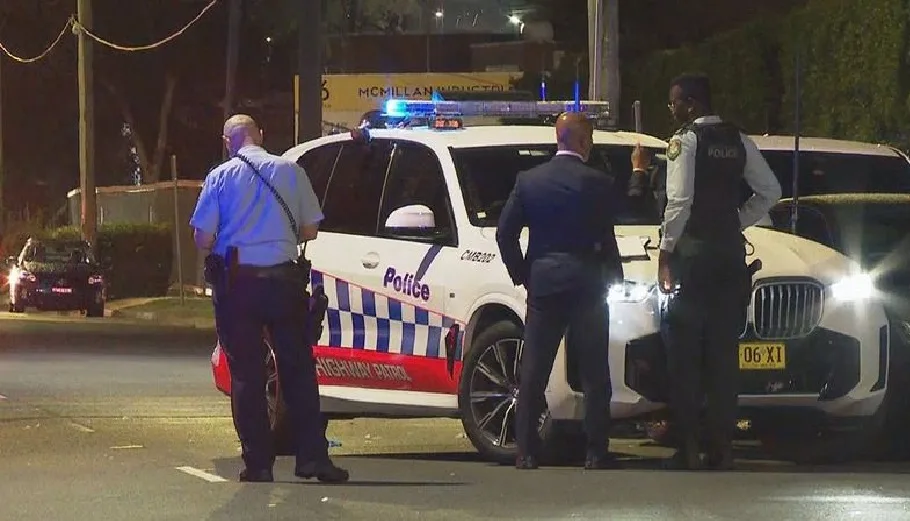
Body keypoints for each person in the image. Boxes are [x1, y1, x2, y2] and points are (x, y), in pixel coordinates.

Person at [190, 114, 349, 483]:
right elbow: (311, 228)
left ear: (227, 142)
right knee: (298, 371)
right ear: (260, 134)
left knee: (247, 374)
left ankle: (258, 463)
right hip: (284, 282)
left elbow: (203, 238)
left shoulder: (220, 177)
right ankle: (312, 458)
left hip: (237, 285)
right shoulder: (291, 171)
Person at [658, 74, 781, 471]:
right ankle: (722, 447)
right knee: (724, 358)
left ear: (691, 104)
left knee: (686, 355)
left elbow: (679, 201)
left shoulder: (685, 141)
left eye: (675, 102)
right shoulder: (738, 139)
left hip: (693, 258)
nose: (672, 110)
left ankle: (689, 446)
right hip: (730, 257)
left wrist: (665, 252)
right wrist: (734, 221)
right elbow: (771, 191)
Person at [496, 112, 624, 471]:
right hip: (588, 283)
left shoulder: (529, 181)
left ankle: (526, 450)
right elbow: (607, 237)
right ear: (583, 141)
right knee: (595, 372)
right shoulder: (599, 182)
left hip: (545, 282)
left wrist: (523, 273)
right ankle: (596, 451)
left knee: (534, 369)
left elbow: (505, 233)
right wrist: (615, 276)